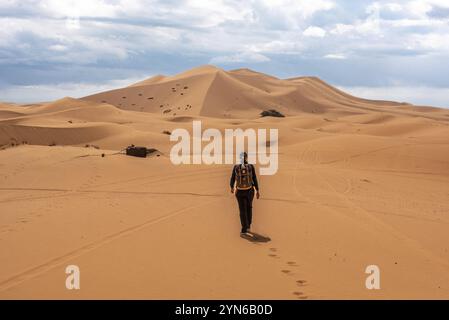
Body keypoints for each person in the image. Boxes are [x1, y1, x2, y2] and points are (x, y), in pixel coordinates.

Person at [230, 152, 260, 236]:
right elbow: (254, 178)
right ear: (246, 158)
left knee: (242, 210)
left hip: (239, 191)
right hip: (250, 191)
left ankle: (244, 229)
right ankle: (248, 226)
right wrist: (257, 190)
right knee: (249, 208)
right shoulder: (250, 167)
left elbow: (232, 178)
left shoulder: (236, 167)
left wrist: (232, 187)